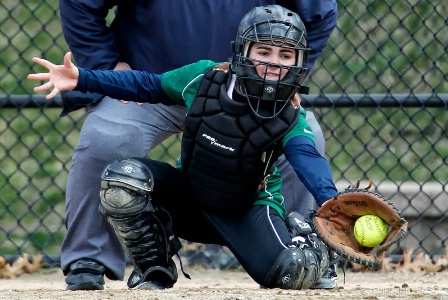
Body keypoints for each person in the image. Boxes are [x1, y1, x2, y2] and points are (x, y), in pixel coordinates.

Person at [29, 5, 339, 290]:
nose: (273, 62)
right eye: (264, 52)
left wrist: (333, 203)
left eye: (285, 56)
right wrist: (87, 74)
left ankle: (310, 249)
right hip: (183, 170)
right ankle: (138, 263)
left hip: (249, 210)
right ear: (241, 50)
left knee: (289, 273)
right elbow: (145, 84)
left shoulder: (288, 117)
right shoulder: (203, 78)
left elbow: (308, 158)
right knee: (120, 169)